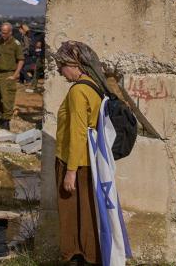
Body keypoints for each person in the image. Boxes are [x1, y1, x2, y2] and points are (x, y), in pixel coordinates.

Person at [51, 41, 107, 265]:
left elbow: (78, 133)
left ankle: (78, 258)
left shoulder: (78, 91)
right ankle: (90, 257)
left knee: (71, 218)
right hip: (89, 161)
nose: (60, 73)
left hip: (74, 163)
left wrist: (70, 171)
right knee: (88, 216)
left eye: (61, 67)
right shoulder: (93, 85)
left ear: (73, 64)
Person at [0, 22, 24, 130]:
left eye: (5, 33)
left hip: (9, 73)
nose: (2, 34)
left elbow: (21, 60)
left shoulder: (15, 44)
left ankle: (6, 120)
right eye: (1, 32)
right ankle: (4, 114)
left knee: (7, 99)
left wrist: (15, 75)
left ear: (10, 32)